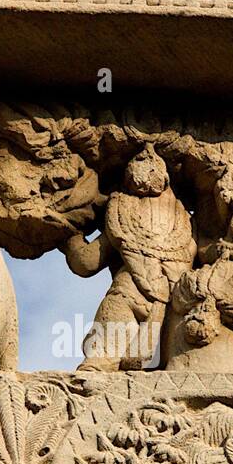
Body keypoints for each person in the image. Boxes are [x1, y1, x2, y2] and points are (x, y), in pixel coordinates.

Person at [62, 143, 195, 371]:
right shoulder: (188, 226)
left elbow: (86, 262)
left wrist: (68, 237)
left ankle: (99, 365)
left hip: (131, 291)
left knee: (104, 353)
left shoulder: (122, 221)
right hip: (178, 298)